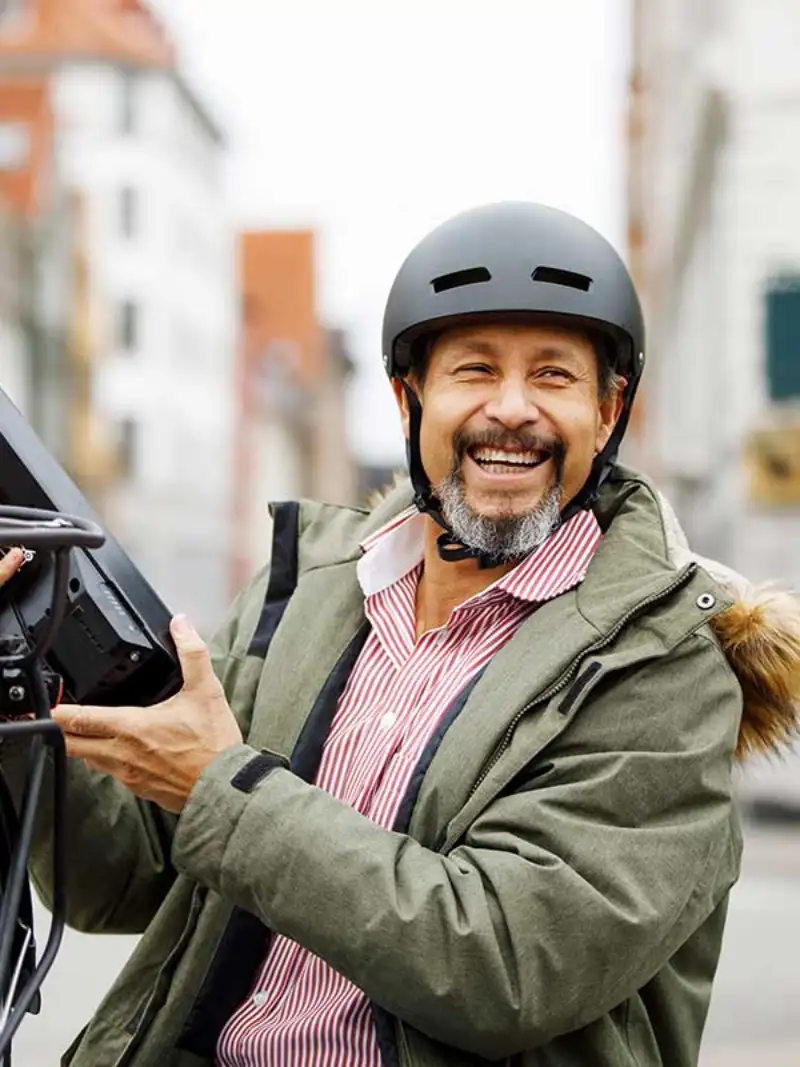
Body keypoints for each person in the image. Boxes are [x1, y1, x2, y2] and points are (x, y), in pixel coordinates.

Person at [4, 202, 800, 1067]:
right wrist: (19, 685)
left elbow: (505, 963)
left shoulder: (665, 669)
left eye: (554, 377)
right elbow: (120, 876)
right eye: (473, 369)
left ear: (608, 412)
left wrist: (221, 791)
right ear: (408, 396)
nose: (511, 409)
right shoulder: (306, 590)